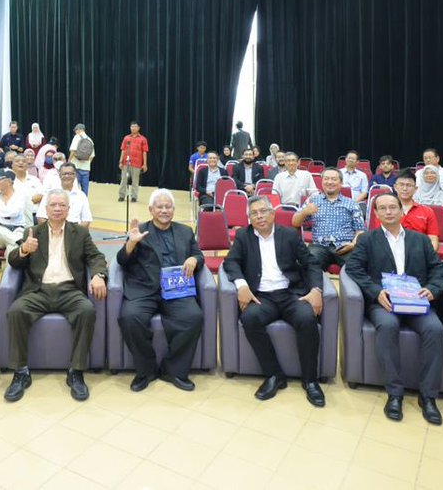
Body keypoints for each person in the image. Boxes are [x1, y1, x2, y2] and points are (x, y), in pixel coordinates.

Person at [345, 193, 443, 424]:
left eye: (393, 207)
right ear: (376, 213)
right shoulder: (367, 240)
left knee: (435, 329)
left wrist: (432, 289)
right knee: (388, 325)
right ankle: (394, 393)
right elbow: (353, 269)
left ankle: (428, 396)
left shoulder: (419, 240)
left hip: (417, 301)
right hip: (385, 302)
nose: (389, 212)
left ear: (402, 211)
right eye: (383, 208)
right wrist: (375, 292)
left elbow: (439, 271)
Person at [3, 189, 108, 402]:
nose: (58, 209)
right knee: (16, 311)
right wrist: (24, 250)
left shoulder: (79, 233)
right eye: (53, 205)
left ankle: (76, 372)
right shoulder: (32, 232)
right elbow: (13, 261)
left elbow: (96, 257)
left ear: (69, 210)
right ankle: (21, 372)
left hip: (69, 290)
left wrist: (98, 274)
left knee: (86, 310)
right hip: (38, 290)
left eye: (62, 205)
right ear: (46, 209)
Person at [223, 195, 326, 405]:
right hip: (262, 297)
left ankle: (310, 380)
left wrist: (316, 289)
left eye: (263, 211)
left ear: (272, 213)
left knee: (307, 319)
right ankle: (274, 375)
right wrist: (241, 285)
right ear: (249, 218)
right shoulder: (243, 236)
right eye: (254, 213)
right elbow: (231, 262)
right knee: (250, 318)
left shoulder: (288, 235)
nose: (259, 216)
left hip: (290, 294)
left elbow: (311, 263)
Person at [116, 189, 205, 392]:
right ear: (151, 210)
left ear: (173, 209)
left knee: (194, 316)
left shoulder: (185, 231)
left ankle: (173, 370)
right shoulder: (140, 231)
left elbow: (198, 254)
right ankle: (146, 370)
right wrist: (131, 243)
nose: (164, 210)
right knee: (130, 317)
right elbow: (122, 260)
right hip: (145, 288)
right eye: (160, 207)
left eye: (168, 207)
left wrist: (194, 259)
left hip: (176, 289)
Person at [294, 168, 365, 268]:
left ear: (341, 183)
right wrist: (304, 212)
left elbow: (360, 230)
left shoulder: (351, 203)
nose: (330, 182)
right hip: (319, 247)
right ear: (322, 182)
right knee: (307, 265)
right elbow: (295, 223)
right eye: (326, 179)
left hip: (345, 246)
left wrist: (353, 244)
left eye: (334, 179)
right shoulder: (313, 200)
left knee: (357, 266)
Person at [0, 169, 30, 254]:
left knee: (12, 248)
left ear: (9, 181)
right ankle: (18, 241)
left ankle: (14, 243)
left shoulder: (21, 195)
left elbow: (14, 212)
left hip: (17, 229)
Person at [394, 169, 440, 252]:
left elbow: (433, 240)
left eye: (409, 185)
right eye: (401, 185)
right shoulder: (386, 210)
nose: (405, 188)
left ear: (415, 189)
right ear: (395, 187)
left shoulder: (427, 211)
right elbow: (380, 239)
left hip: (420, 255)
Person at [117, 121, 149, 203]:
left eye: (135, 126)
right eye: (132, 126)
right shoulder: (126, 138)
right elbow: (123, 150)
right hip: (126, 163)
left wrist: (145, 164)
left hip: (137, 163)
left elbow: (144, 152)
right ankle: (121, 196)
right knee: (123, 180)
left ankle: (134, 197)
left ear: (138, 128)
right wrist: (120, 161)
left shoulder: (143, 139)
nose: (133, 128)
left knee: (135, 181)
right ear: (130, 128)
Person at [68, 123, 95, 194]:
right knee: (85, 188)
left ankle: (74, 202)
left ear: (78, 130)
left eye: (75, 130)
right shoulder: (90, 140)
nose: (75, 132)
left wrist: (69, 161)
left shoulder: (77, 137)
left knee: (74, 187)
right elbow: (92, 156)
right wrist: (87, 163)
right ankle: (84, 202)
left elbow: (73, 151)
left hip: (76, 166)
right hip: (86, 168)